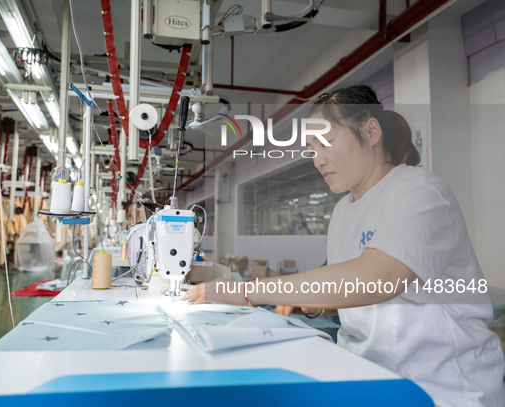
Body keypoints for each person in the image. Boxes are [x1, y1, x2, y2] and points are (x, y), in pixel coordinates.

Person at [183, 85, 505, 406]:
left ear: (371, 129)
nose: (317, 160)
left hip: (440, 390)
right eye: (311, 150)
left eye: (325, 142)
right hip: (366, 377)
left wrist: (247, 291)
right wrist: (319, 303)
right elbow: (348, 286)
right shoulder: (342, 212)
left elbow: (380, 277)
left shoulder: (419, 191)